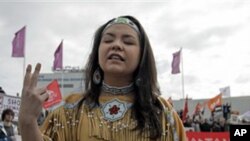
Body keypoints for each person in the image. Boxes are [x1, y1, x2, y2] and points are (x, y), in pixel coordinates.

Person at [18, 15, 186, 141]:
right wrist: (27, 120)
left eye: (128, 42)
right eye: (108, 40)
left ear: (142, 56)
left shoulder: (161, 112)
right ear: (97, 52)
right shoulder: (71, 110)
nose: (116, 45)